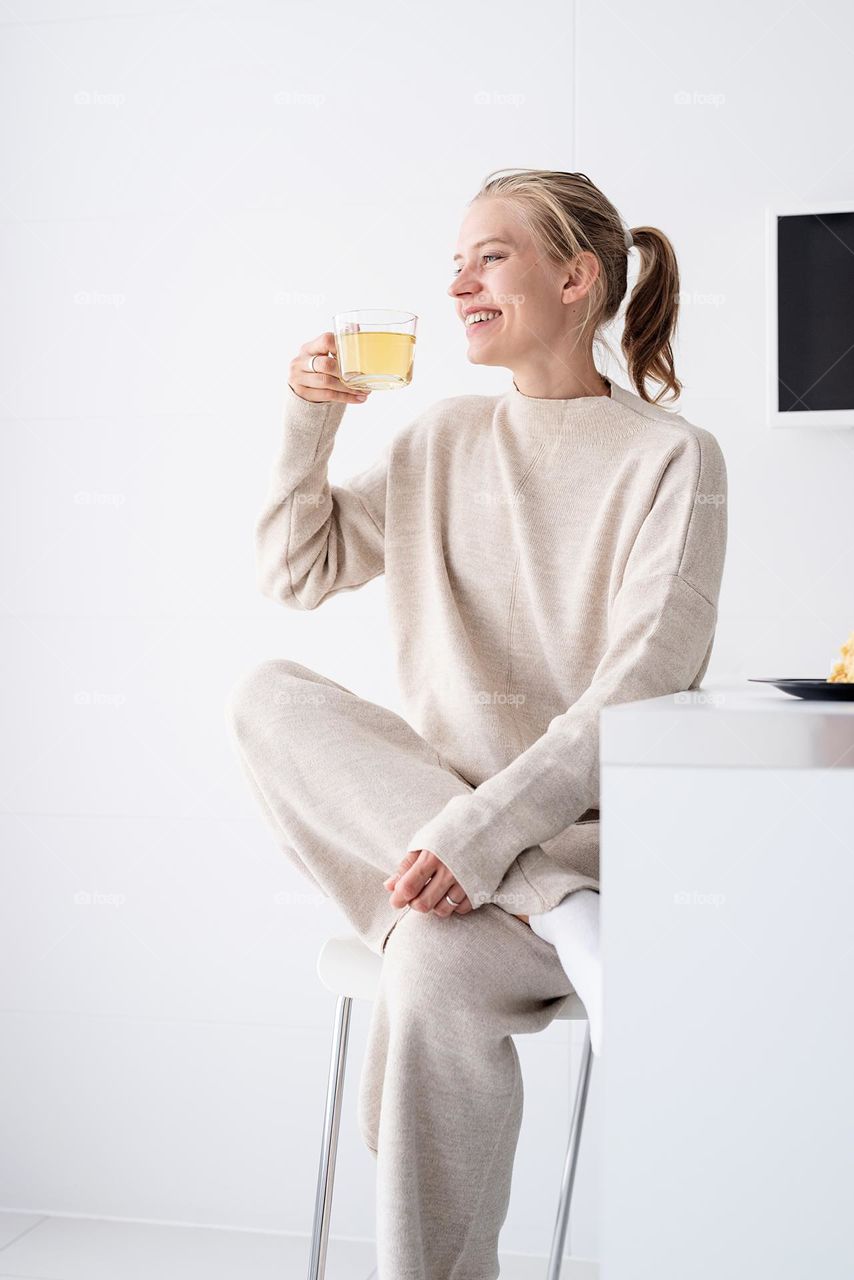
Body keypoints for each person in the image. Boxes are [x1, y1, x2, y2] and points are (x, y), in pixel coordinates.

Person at [226, 167, 727, 1279]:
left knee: (422, 975)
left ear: (574, 276)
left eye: (485, 255)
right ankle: (565, 915)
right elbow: (295, 569)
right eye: (454, 259)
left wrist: (483, 836)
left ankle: (552, 892)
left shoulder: (668, 457)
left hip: (569, 836)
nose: (455, 281)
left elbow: (642, 683)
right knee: (267, 693)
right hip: (453, 855)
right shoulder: (437, 438)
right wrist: (308, 419)